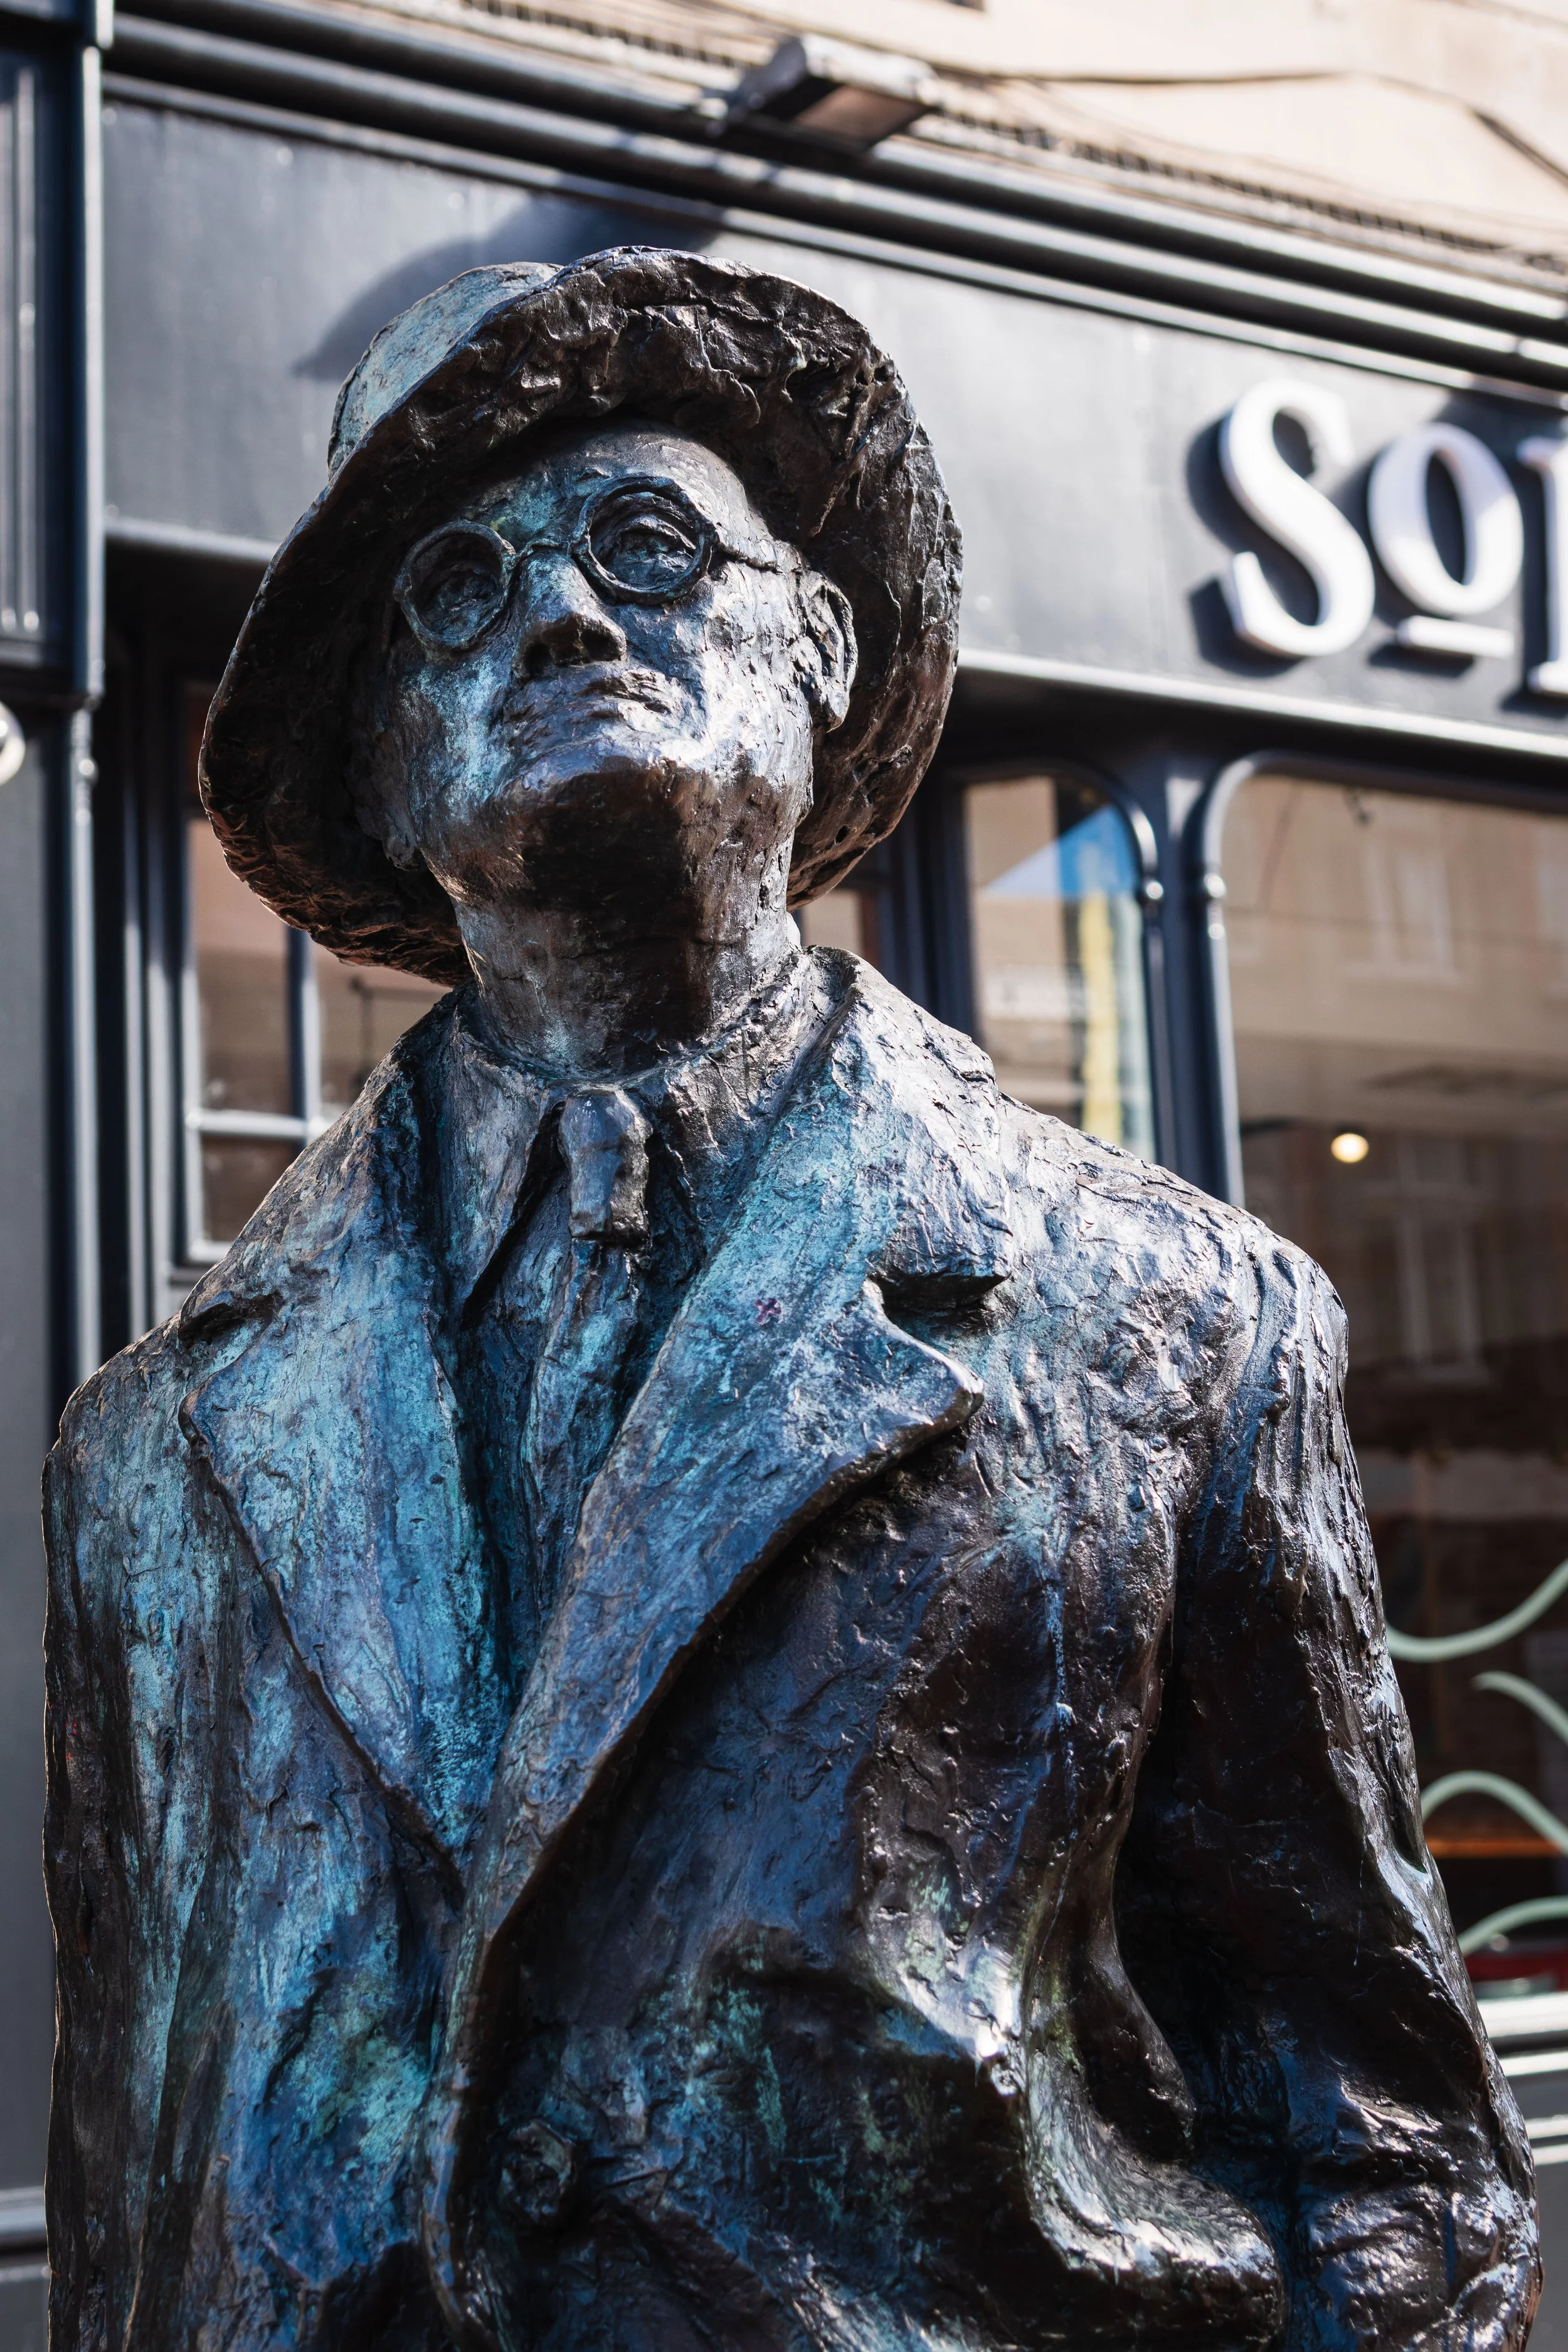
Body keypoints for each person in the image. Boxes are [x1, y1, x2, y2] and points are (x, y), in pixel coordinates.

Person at [43, 247, 1538, 2352]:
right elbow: (137, 2153)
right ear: (384, 762)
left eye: (645, 544)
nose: (560, 612)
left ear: (817, 641)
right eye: (453, 594)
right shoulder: (156, 1448)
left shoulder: (1177, 1324)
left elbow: (1380, 2141)